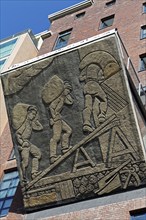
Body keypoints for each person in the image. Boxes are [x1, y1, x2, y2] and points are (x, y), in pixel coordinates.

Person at [42, 75, 73, 164]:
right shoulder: (58, 98)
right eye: (67, 90)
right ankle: (53, 157)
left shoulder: (63, 98)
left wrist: (66, 93)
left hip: (59, 119)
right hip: (56, 120)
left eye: (69, 91)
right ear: (64, 89)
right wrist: (54, 116)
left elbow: (70, 102)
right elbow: (51, 107)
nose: (68, 92)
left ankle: (64, 148)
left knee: (68, 130)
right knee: (56, 137)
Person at [14, 104, 43, 182]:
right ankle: (23, 178)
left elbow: (40, 128)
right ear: (28, 113)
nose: (33, 116)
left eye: (34, 115)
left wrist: (36, 120)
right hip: (24, 145)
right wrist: (22, 143)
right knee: (25, 163)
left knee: (38, 154)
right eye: (32, 114)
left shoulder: (30, 123)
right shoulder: (24, 123)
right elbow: (18, 134)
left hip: (28, 143)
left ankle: (34, 173)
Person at [79, 63, 107, 132]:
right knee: (104, 99)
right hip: (95, 85)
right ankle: (102, 115)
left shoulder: (86, 68)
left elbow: (81, 78)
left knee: (88, 106)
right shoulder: (99, 67)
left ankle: (86, 123)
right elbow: (102, 78)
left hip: (87, 86)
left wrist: (87, 78)